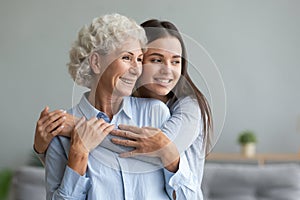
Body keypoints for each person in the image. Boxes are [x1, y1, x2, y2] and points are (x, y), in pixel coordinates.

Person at [34, 17, 212, 199]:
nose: (137, 69)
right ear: (96, 63)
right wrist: (77, 154)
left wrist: (79, 127)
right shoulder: (60, 129)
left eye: (140, 59)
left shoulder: (162, 112)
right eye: (127, 57)